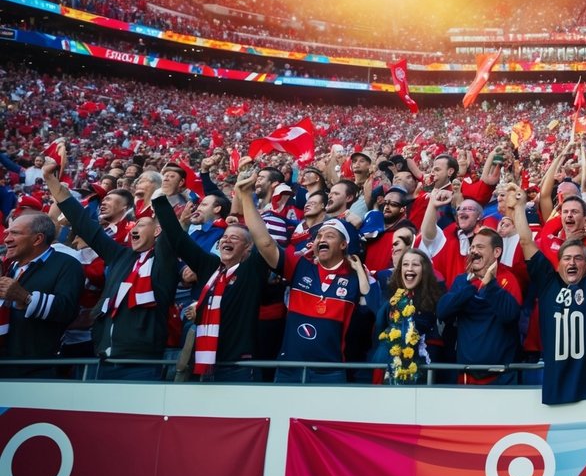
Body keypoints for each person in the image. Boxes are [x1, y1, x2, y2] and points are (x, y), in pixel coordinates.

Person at [46, 149, 177, 380]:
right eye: (134, 224)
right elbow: (85, 223)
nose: (134, 227)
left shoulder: (164, 263)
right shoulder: (120, 256)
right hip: (104, 357)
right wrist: (52, 182)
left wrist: (163, 196)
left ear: (157, 231)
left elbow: (172, 234)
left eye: (142, 224)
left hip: (142, 361)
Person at [235, 168, 370, 384]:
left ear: (344, 244)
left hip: (331, 373)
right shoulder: (300, 266)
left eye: (330, 235)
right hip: (289, 369)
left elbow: (371, 307)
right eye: (319, 235)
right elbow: (265, 243)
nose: (321, 238)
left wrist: (361, 272)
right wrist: (245, 198)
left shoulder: (355, 277)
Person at [505, 177, 586, 405]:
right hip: (555, 380)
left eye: (578, 258)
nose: (572, 263)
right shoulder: (548, 283)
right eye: (566, 258)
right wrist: (518, 207)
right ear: (558, 263)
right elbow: (527, 242)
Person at [152, 189, 266, 382]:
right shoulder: (210, 266)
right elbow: (179, 240)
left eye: (235, 238)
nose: (226, 240)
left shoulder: (251, 271)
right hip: (204, 364)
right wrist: (160, 203)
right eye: (224, 237)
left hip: (238, 365)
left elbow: (264, 244)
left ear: (248, 248)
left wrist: (241, 212)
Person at [436, 223, 522, 385]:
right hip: (466, 375)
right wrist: (469, 286)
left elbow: (510, 316)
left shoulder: (508, 280)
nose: (474, 251)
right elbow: (442, 312)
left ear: (496, 252)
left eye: (480, 247)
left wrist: (490, 286)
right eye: (473, 247)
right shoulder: (462, 281)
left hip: (501, 376)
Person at [0, 213, 82, 378]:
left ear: (37, 239)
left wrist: (26, 298)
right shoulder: (9, 267)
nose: (6, 239)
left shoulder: (67, 264)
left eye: (15, 233)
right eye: (7, 233)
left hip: (36, 371)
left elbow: (67, 310)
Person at [369, 248, 444, 385]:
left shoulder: (435, 301)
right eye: (405, 264)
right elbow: (379, 329)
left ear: (425, 270)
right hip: (386, 367)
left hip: (419, 371)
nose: (409, 268)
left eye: (415, 264)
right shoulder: (390, 298)